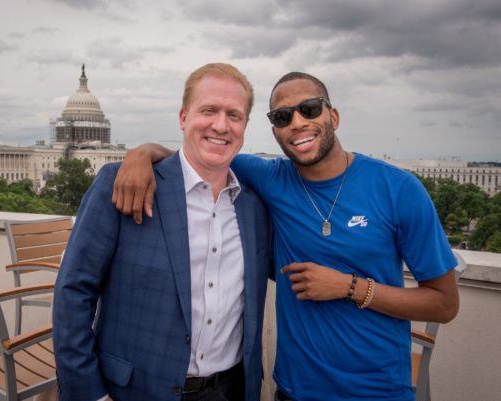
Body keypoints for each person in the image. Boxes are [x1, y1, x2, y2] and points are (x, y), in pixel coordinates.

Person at [111, 71, 460, 401]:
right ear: (274, 131)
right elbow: (196, 155)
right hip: (294, 389)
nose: (297, 123)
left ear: (333, 116)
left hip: (376, 391)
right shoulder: (269, 177)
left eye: (309, 110)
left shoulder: (397, 189)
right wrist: (141, 155)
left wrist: (349, 287)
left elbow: (444, 304)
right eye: (282, 117)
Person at [53, 63, 271, 401]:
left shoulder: (255, 209)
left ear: (244, 125)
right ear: (183, 117)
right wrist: (90, 394)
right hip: (133, 391)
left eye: (234, 115)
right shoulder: (123, 184)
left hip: (228, 391)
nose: (221, 124)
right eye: (208, 110)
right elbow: (73, 291)